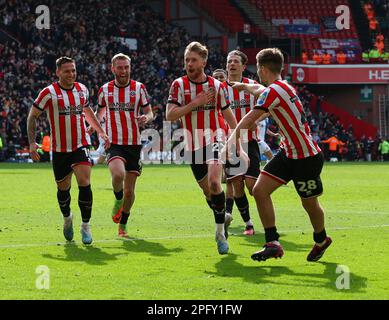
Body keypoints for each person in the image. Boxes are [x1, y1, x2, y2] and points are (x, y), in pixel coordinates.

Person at [226, 48, 332, 262]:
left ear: (263, 69)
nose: (257, 73)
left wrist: (230, 142)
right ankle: (272, 242)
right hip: (288, 153)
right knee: (259, 190)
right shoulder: (282, 87)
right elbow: (258, 89)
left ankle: (321, 239)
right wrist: (242, 86)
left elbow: (248, 119)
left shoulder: (273, 92)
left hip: (306, 158)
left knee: (309, 204)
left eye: (258, 68)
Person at [27, 56, 110, 245]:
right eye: (67, 71)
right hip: (59, 149)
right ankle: (67, 218)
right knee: (63, 190)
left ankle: (86, 226)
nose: (71, 74)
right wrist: (32, 143)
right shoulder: (48, 93)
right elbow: (32, 116)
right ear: (58, 72)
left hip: (81, 144)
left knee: (84, 182)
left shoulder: (82, 90)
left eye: (73, 70)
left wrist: (101, 132)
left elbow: (87, 111)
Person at [166, 42, 238, 255]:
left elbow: (227, 115)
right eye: (187, 59)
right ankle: (222, 217)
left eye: (193, 60)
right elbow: (170, 115)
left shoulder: (217, 86)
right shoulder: (178, 85)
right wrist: (195, 103)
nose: (189, 63)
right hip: (192, 144)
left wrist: (238, 141)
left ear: (204, 62)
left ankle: (219, 235)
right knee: (208, 192)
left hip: (215, 137)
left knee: (216, 182)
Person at [94, 53, 153, 238]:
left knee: (130, 192)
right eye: (120, 67)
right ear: (113, 69)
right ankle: (117, 200)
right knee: (118, 174)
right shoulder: (105, 89)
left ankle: (123, 225)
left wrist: (146, 118)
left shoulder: (139, 88)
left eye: (126, 67)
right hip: (114, 143)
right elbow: (100, 112)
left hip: (134, 144)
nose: (123, 71)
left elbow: (150, 112)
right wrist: (92, 127)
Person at [222, 50, 267, 236]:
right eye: (229, 61)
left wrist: (257, 119)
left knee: (252, 186)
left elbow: (269, 106)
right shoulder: (220, 88)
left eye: (235, 61)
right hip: (231, 144)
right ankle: (248, 223)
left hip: (250, 141)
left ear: (243, 66)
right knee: (237, 185)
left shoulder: (252, 86)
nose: (231, 64)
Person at [212, 69, 235, 225]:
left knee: (232, 180)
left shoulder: (233, 93)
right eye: (216, 77)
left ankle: (229, 213)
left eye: (222, 77)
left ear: (226, 78)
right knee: (219, 180)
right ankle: (225, 213)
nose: (219, 79)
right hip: (217, 139)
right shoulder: (210, 96)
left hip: (233, 138)